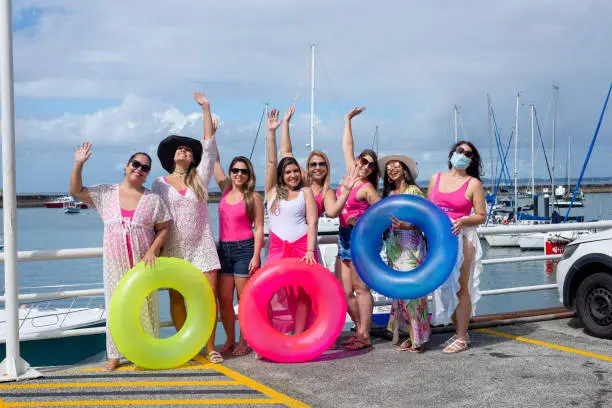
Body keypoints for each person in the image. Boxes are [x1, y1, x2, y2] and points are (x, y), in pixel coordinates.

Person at [69, 143, 170, 371]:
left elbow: (165, 227)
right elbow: (75, 191)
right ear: (126, 167)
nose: (139, 169)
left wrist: (153, 250)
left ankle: (145, 351)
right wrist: (79, 163)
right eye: (136, 164)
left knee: (145, 305)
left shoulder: (153, 199)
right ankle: (115, 355)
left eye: (145, 167)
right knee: (115, 305)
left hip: (143, 262)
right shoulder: (106, 193)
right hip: (115, 262)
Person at [151, 92, 222, 364]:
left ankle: (209, 347)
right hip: (174, 248)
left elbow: (209, 143)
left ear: (193, 159)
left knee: (207, 298)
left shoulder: (200, 179)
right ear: (172, 157)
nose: (184, 150)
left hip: (202, 245)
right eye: (179, 148)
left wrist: (206, 107)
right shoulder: (159, 183)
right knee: (178, 299)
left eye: (188, 150)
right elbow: (153, 217)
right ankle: (185, 346)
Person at [263, 107, 318, 339]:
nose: (293, 175)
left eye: (296, 171)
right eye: (288, 172)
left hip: (302, 246)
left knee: (301, 294)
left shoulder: (306, 192)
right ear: (281, 175)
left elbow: (313, 222)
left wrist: (309, 250)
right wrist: (273, 131)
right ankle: (268, 335)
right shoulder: (272, 192)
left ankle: (300, 335)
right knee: (267, 291)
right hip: (277, 247)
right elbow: (274, 159)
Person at [427, 140, 486, 354]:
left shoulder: (473, 184)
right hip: (439, 239)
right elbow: (428, 209)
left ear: (472, 160)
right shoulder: (436, 178)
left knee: (462, 286)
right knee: (445, 287)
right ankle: (459, 331)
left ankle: (461, 337)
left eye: (468, 154)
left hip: (463, 238)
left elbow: (481, 216)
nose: (463, 155)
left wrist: (462, 221)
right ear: (452, 153)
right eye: (460, 150)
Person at [213, 119, 265, 357]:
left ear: (249, 174)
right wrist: (211, 135)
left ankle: (245, 341)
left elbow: (258, 229)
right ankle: (230, 340)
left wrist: (256, 255)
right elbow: (214, 162)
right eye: (235, 170)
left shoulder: (253, 197)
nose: (238, 174)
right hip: (223, 250)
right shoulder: (224, 190)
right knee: (224, 299)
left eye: (243, 171)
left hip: (245, 250)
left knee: (243, 300)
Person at [338, 106, 381, 351]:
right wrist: (347, 119)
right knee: (344, 291)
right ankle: (359, 329)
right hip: (343, 237)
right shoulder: (350, 176)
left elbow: (382, 215)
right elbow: (347, 146)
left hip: (360, 239)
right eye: (363, 161)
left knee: (360, 288)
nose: (365, 166)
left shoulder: (366, 188)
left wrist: (361, 222)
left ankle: (364, 335)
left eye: (370, 165)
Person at [379, 154, 430, 353]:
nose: (391, 168)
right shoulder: (389, 195)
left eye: (395, 165)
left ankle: (419, 339)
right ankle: (410, 335)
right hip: (393, 249)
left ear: (404, 170)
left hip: (411, 249)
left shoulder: (414, 191)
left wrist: (407, 225)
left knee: (413, 295)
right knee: (400, 296)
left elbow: (428, 220)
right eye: (388, 167)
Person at [279, 105, 358, 217]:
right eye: (313, 164)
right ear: (308, 167)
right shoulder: (301, 180)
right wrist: (285, 123)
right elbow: (286, 152)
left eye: (321, 164)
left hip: (308, 234)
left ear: (327, 168)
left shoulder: (327, 193)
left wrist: (346, 192)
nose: (317, 167)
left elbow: (332, 213)